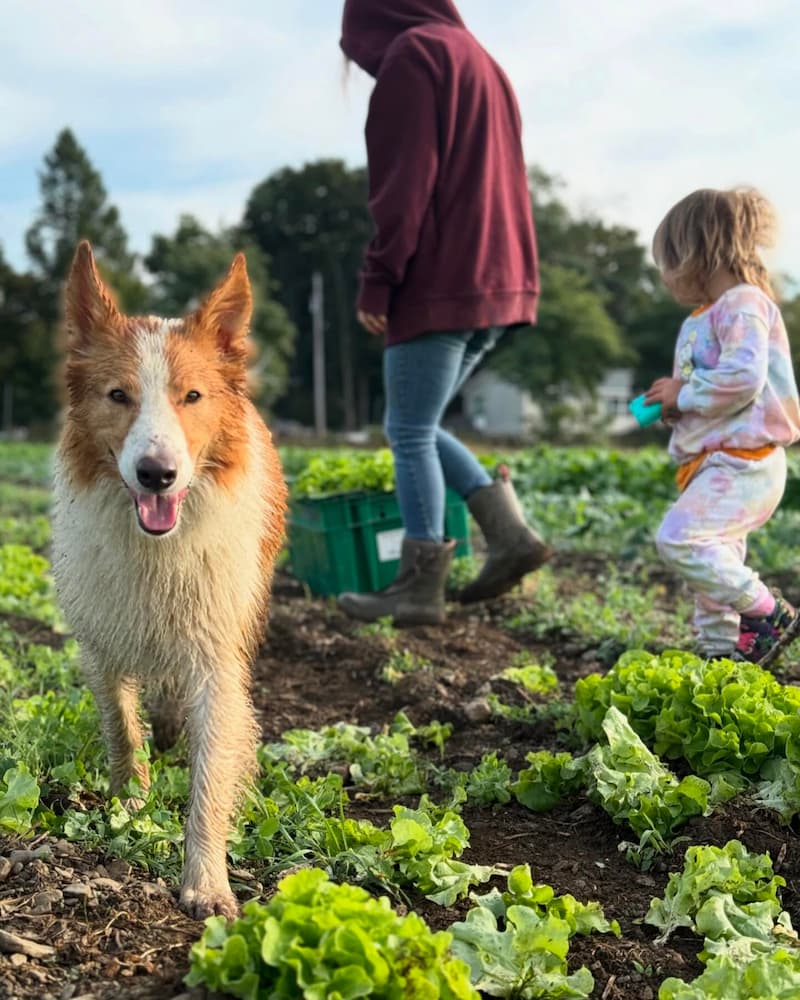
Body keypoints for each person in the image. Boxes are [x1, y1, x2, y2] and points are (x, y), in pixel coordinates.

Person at [337, 0, 549, 626]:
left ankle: (418, 588)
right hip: (499, 275)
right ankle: (510, 537)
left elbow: (404, 187)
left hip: (442, 278)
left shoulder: (413, 57)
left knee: (406, 432)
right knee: (420, 425)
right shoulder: (479, 58)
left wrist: (379, 279)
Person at [644, 187, 800, 666]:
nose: (666, 276)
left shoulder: (743, 303)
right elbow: (717, 387)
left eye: (668, 262)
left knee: (681, 539)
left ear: (698, 252)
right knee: (714, 561)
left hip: (744, 463)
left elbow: (743, 378)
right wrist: (677, 403)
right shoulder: (707, 315)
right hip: (718, 462)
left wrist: (683, 393)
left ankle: (770, 613)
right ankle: (719, 653)